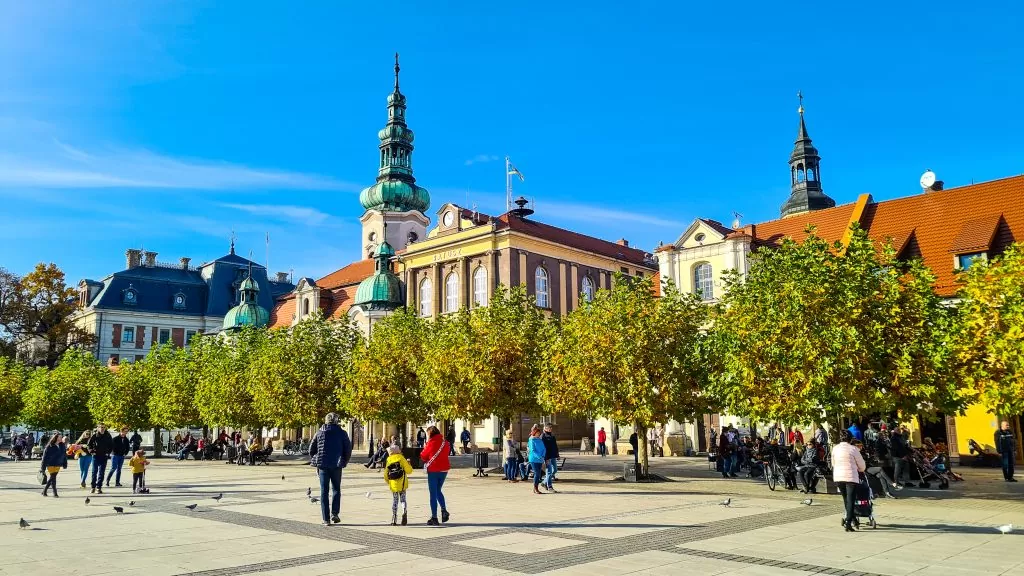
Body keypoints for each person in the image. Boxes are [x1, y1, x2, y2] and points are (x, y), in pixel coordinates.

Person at [309, 413, 353, 526]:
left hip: (323, 465)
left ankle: (326, 519)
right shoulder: (342, 433)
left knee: (324, 491)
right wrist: (344, 461)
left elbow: (311, 449)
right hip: (337, 465)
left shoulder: (319, 432)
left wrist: (317, 458)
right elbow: (348, 449)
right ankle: (335, 513)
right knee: (336, 489)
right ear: (336, 421)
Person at [832, 430, 867, 532]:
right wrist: (860, 469)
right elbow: (862, 465)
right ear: (850, 439)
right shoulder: (853, 449)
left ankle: (853, 518)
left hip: (839, 477)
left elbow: (833, 463)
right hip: (850, 477)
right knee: (851, 500)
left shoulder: (835, 449)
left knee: (845, 499)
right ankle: (848, 522)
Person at [420, 425, 451, 525]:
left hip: (433, 469)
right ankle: (444, 510)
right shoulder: (445, 443)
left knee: (433, 493)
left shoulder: (430, 443)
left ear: (430, 434)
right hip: (444, 469)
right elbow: (447, 453)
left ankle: (434, 517)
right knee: (438, 490)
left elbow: (423, 456)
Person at [383, 444, 413, 526]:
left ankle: (394, 518)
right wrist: (409, 464)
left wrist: (388, 482)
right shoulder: (401, 458)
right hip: (402, 483)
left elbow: (386, 474)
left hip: (393, 484)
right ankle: (404, 511)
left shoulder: (388, 460)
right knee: (403, 500)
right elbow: (409, 471)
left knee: (395, 501)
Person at [87, 424, 113, 494]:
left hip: (104, 456)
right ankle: (93, 487)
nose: (102, 429)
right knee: (94, 472)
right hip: (96, 456)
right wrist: (91, 451)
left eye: (103, 427)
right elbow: (89, 445)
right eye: (101, 427)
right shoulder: (94, 435)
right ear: (98, 428)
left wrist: (108, 452)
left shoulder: (108, 435)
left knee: (101, 472)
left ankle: (99, 487)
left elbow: (111, 445)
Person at [41, 433, 68, 497]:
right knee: (53, 477)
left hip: (58, 463)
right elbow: (44, 457)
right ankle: (54, 492)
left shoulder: (62, 445)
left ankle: (44, 491)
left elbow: (64, 455)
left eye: (61, 437)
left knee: (52, 477)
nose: (61, 438)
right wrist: (43, 468)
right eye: (60, 437)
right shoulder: (49, 446)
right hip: (50, 464)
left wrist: (65, 463)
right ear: (56, 438)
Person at [527, 424, 546, 495]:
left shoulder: (540, 440)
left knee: (539, 473)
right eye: (537, 433)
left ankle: (535, 488)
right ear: (534, 433)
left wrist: (543, 455)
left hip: (540, 459)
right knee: (537, 473)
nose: (539, 434)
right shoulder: (532, 440)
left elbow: (544, 448)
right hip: (534, 459)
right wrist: (539, 456)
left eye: (539, 433)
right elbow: (532, 450)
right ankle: (536, 488)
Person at [541, 423, 559, 492]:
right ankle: (550, 487)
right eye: (549, 428)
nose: (550, 429)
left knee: (555, 470)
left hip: (553, 455)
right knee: (549, 471)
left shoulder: (552, 435)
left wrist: (557, 454)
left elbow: (555, 445)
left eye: (551, 428)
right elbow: (544, 448)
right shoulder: (543, 436)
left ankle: (544, 482)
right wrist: (546, 457)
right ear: (545, 428)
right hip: (547, 456)